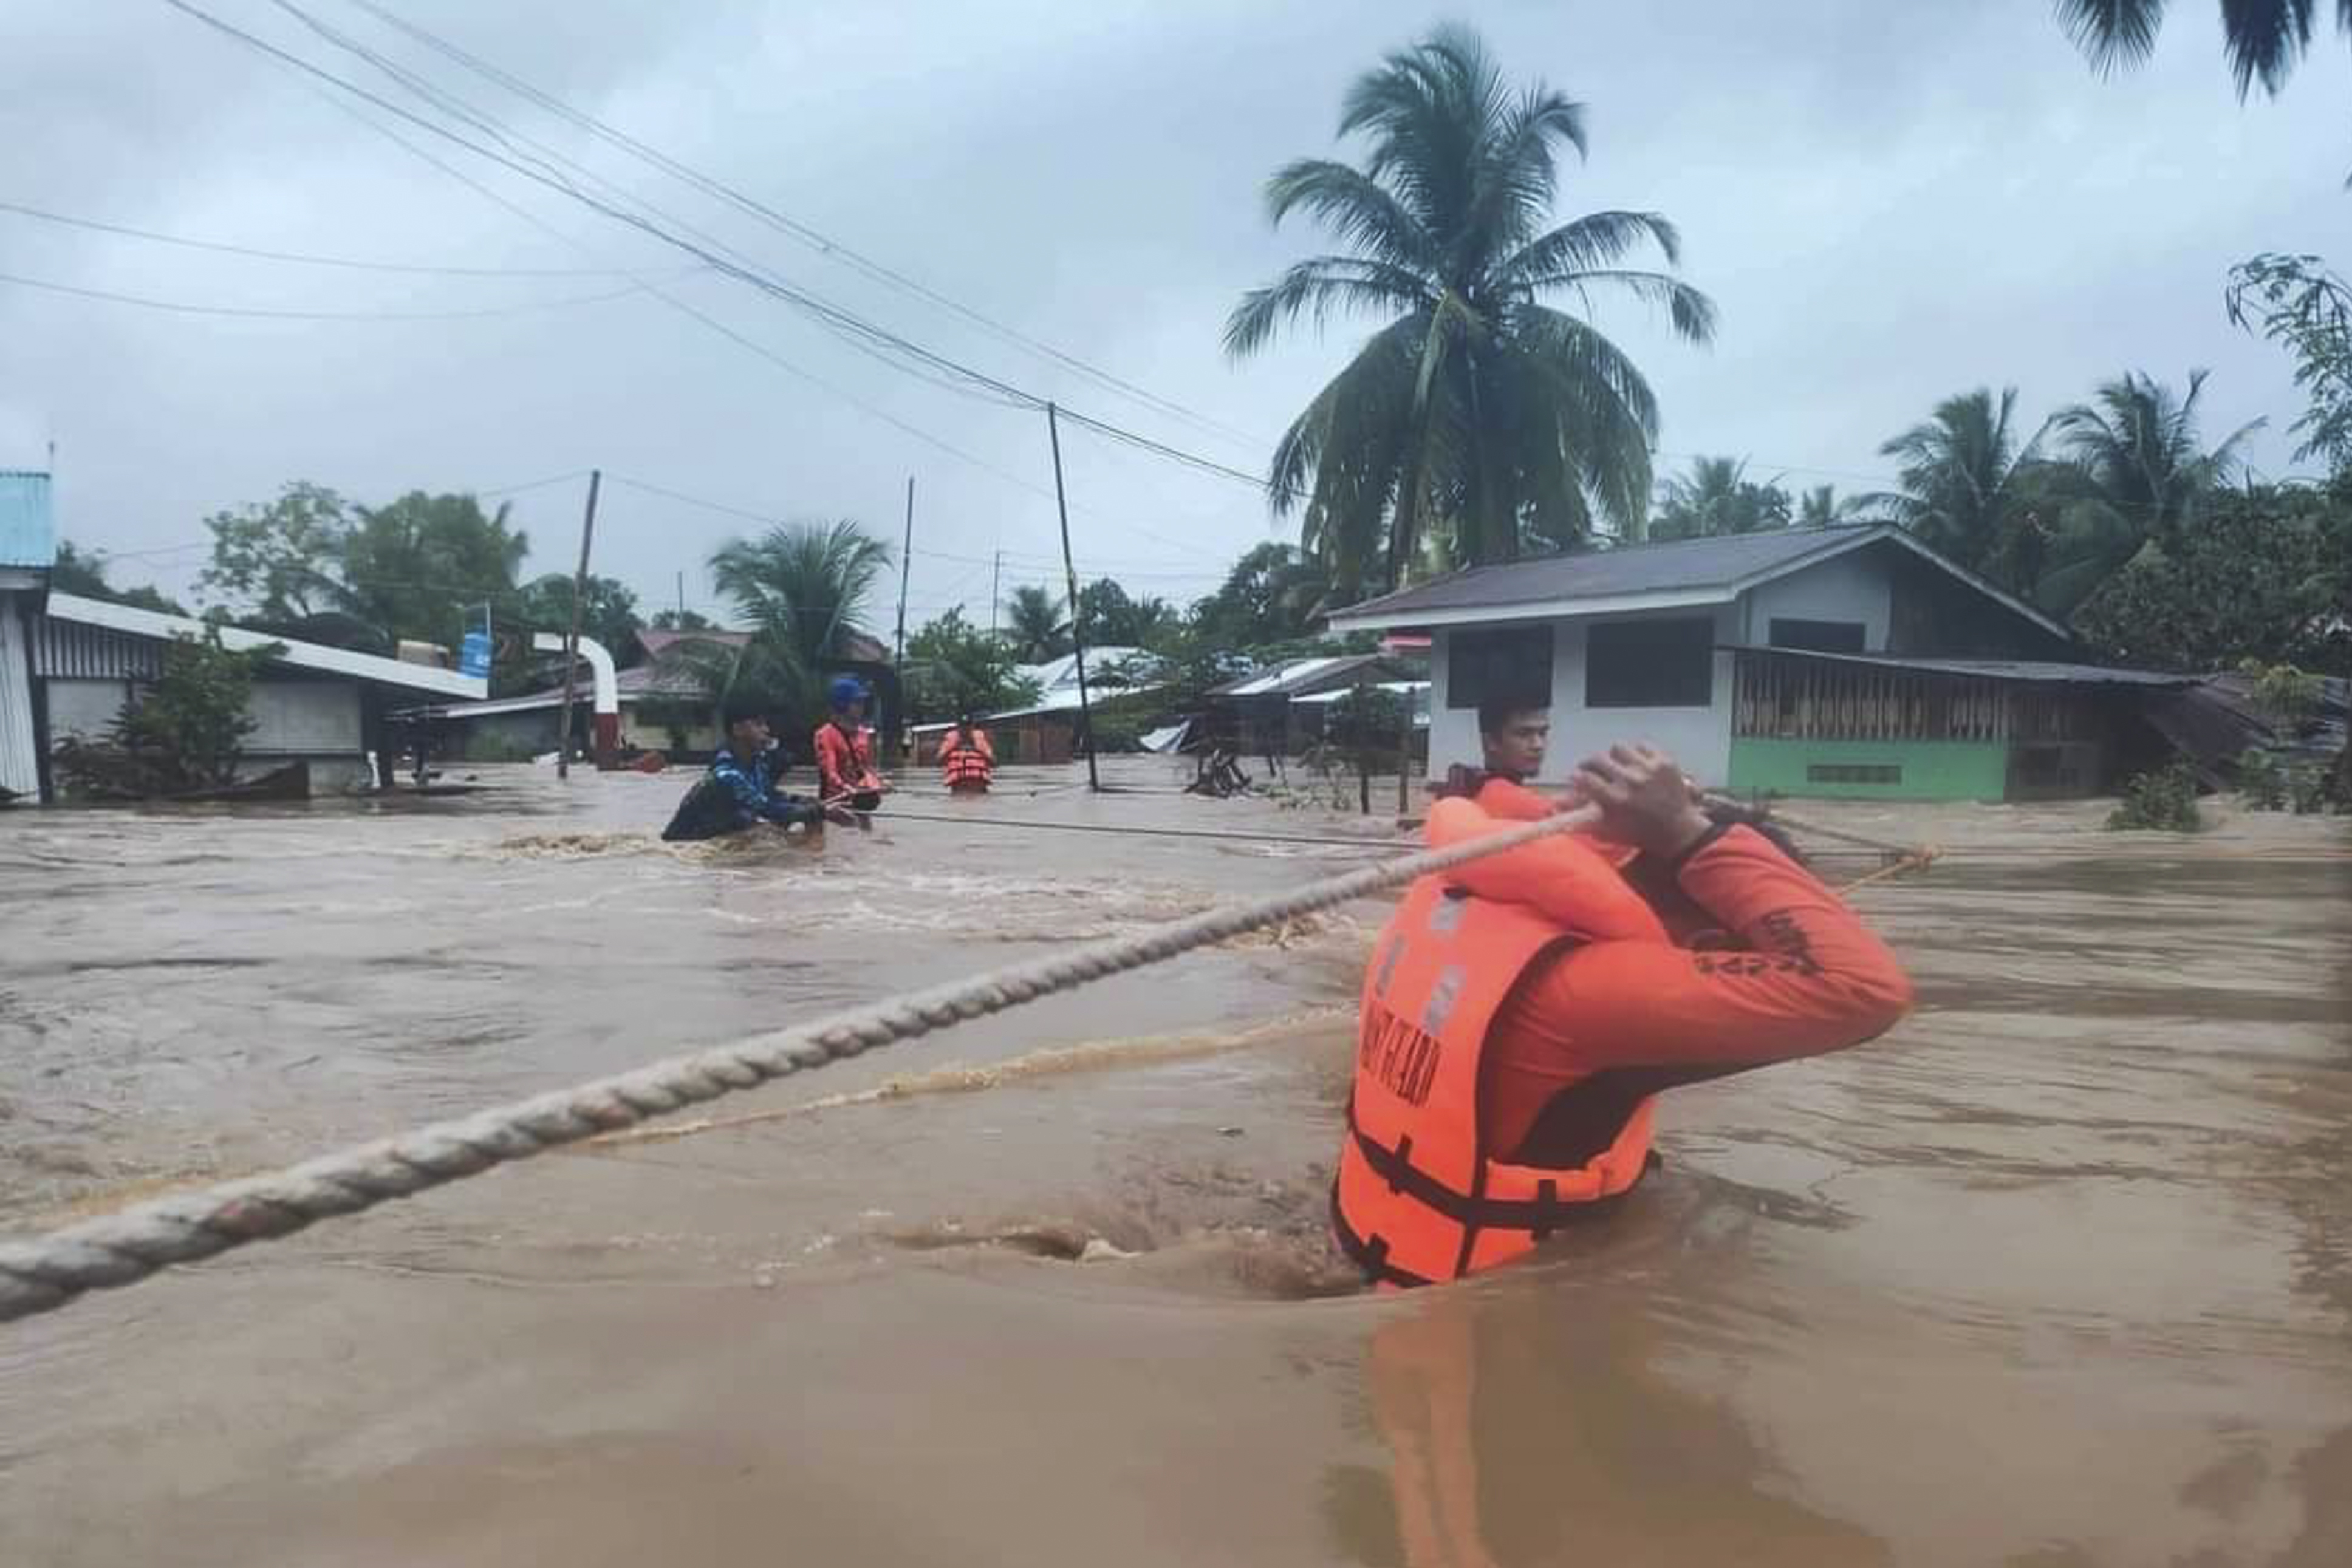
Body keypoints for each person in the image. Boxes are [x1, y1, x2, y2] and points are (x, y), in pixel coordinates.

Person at [1332, 740, 1913, 1287]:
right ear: (1713, 943)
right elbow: (1861, 989)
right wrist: (1689, 832)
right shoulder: (1592, 996)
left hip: (1372, 1241)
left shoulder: (1486, 907)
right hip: (1492, 1305)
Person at [660, 700, 850, 842]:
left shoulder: (756, 763)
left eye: (765, 724)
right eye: (758, 724)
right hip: (686, 843)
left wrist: (807, 802)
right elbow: (769, 809)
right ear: (738, 730)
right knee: (767, 829)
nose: (767, 730)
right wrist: (821, 811)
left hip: (724, 830)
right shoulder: (727, 775)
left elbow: (772, 796)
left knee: (800, 814)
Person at [813, 676, 887, 811]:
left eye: (863, 702)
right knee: (849, 828)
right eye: (857, 702)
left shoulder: (864, 734)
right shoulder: (825, 735)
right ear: (842, 705)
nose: (862, 707)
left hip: (859, 800)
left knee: (867, 831)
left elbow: (867, 768)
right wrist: (845, 787)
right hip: (835, 803)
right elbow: (831, 772)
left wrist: (879, 782)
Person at [939, 713, 994, 794]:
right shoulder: (950, 742)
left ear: (972, 726)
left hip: (979, 790)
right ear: (958, 727)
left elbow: (994, 763)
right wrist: (953, 748)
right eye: (963, 726)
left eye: (968, 726)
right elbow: (938, 762)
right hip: (959, 790)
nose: (965, 729)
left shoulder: (981, 741)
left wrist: (979, 750)